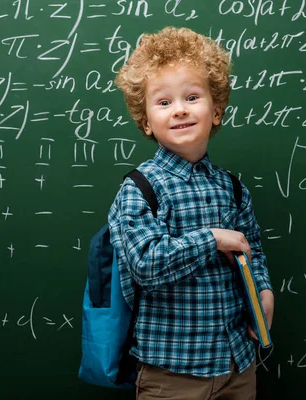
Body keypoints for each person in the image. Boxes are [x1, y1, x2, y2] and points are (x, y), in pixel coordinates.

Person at [109, 26, 274, 400]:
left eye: (193, 97)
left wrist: (263, 289)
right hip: (172, 374)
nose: (180, 108)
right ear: (147, 121)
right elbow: (146, 265)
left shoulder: (231, 188)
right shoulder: (139, 189)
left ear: (216, 111)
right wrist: (212, 239)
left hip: (237, 364)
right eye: (164, 102)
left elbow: (254, 249)